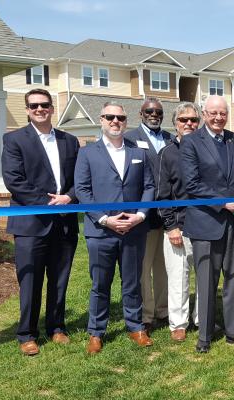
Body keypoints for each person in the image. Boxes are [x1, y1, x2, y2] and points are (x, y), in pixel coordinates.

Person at [2, 88, 80, 356]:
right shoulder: (14, 140)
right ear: (26, 109)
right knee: (30, 281)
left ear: (52, 108)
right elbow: (15, 181)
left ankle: (57, 327)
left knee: (60, 279)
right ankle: (27, 333)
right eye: (34, 105)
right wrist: (48, 202)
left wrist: (69, 197)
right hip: (31, 224)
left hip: (65, 222)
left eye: (44, 105)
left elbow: (79, 180)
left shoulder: (69, 141)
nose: (39, 109)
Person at [179, 95, 234, 353]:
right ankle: (204, 335)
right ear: (204, 114)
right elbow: (191, 184)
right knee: (207, 280)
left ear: (227, 114)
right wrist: (223, 203)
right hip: (206, 222)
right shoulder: (190, 142)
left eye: (222, 113)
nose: (218, 117)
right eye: (213, 113)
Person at [75, 102, 155, 354]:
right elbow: (82, 190)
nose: (115, 121)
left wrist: (140, 216)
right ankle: (96, 332)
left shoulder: (138, 152)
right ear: (101, 119)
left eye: (120, 117)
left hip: (133, 229)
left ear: (126, 121)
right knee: (100, 284)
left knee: (132, 282)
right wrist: (104, 219)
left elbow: (149, 187)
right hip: (101, 231)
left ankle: (135, 327)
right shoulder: (88, 153)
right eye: (110, 117)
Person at [124, 98, 171, 329]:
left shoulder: (170, 138)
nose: (154, 115)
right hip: (144, 215)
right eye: (149, 111)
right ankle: (146, 314)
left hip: (169, 216)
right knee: (143, 268)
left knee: (164, 266)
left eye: (158, 112)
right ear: (141, 114)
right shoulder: (130, 139)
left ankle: (164, 310)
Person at [156, 102, 201, 342]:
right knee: (178, 278)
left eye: (193, 120)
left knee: (204, 277)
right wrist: (171, 226)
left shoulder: (206, 149)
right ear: (175, 124)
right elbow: (162, 194)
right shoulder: (166, 153)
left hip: (205, 225)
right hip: (178, 226)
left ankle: (201, 319)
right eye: (184, 120)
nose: (189, 124)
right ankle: (178, 323)